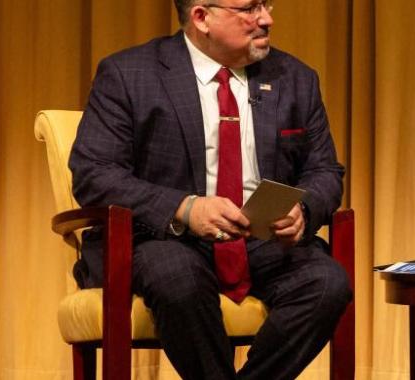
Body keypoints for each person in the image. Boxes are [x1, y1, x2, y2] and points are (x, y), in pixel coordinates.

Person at [69, 0, 351, 378]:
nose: (267, 19)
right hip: (162, 238)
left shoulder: (295, 78)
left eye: (266, 4)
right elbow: (94, 174)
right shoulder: (129, 74)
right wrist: (185, 208)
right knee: (177, 278)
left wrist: (304, 209)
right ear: (202, 17)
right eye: (249, 9)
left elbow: (324, 170)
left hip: (260, 240)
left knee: (327, 284)